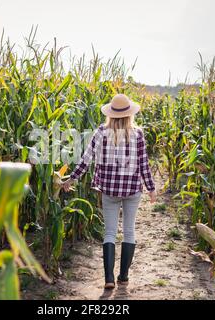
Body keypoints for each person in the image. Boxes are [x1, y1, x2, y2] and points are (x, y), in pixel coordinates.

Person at [62, 93, 157, 290]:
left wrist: (71, 178)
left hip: (109, 189)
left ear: (111, 114)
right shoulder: (138, 134)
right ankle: (123, 276)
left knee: (110, 232)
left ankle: (109, 279)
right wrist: (151, 188)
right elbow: (143, 164)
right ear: (129, 114)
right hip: (132, 189)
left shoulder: (100, 132)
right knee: (129, 231)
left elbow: (85, 160)